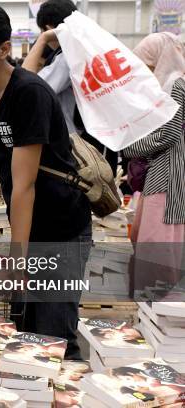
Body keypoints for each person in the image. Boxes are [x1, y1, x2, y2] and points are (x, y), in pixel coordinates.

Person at [0, 3, 91, 359]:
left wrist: (17, 261)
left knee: (54, 340)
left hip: (60, 229)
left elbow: (25, 186)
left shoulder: (30, 93)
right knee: (24, 335)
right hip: (27, 226)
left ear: (4, 49)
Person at [23, 0, 118, 174]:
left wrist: (42, 40)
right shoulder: (90, 48)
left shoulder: (68, 56)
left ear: (49, 27)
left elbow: (25, 86)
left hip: (78, 146)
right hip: (99, 138)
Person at [123, 32, 185, 291]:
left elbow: (168, 133)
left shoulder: (175, 84)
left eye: (146, 66)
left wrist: (131, 146)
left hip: (167, 175)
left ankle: (158, 307)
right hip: (165, 172)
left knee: (157, 241)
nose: (144, 72)